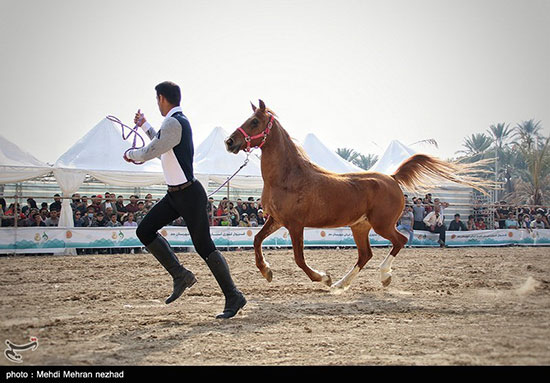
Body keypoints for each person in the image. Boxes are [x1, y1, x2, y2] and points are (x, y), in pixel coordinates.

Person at [125, 81, 246, 319]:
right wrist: (144, 125)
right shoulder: (175, 122)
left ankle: (233, 295)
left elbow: (153, 149)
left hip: (188, 195)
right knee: (145, 230)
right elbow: (161, 142)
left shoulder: (173, 122)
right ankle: (180, 275)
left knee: (204, 246)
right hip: (176, 195)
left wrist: (131, 154)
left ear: (161, 98)